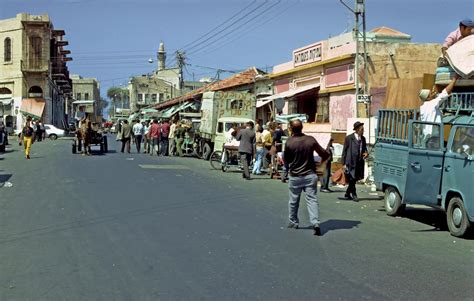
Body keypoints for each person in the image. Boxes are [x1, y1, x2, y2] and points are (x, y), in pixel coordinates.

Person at [284, 119, 329, 236]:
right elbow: (324, 154)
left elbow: (286, 160)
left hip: (295, 176)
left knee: (293, 201)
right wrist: (320, 165)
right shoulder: (310, 140)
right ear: (302, 127)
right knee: (312, 200)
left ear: (291, 129)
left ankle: (293, 221)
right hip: (310, 175)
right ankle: (316, 223)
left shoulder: (289, 142)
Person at [341, 121, 368, 202]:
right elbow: (344, 151)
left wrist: (366, 153)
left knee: (354, 178)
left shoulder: (363, 138)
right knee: (352, 178)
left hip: (359, 162)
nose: (363, 131)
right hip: (350, 162)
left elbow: (364, 149)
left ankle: (347, 193)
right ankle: (354, 194)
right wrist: (343, 163)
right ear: (357, 129)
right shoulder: (349, 138)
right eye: (362, 129)